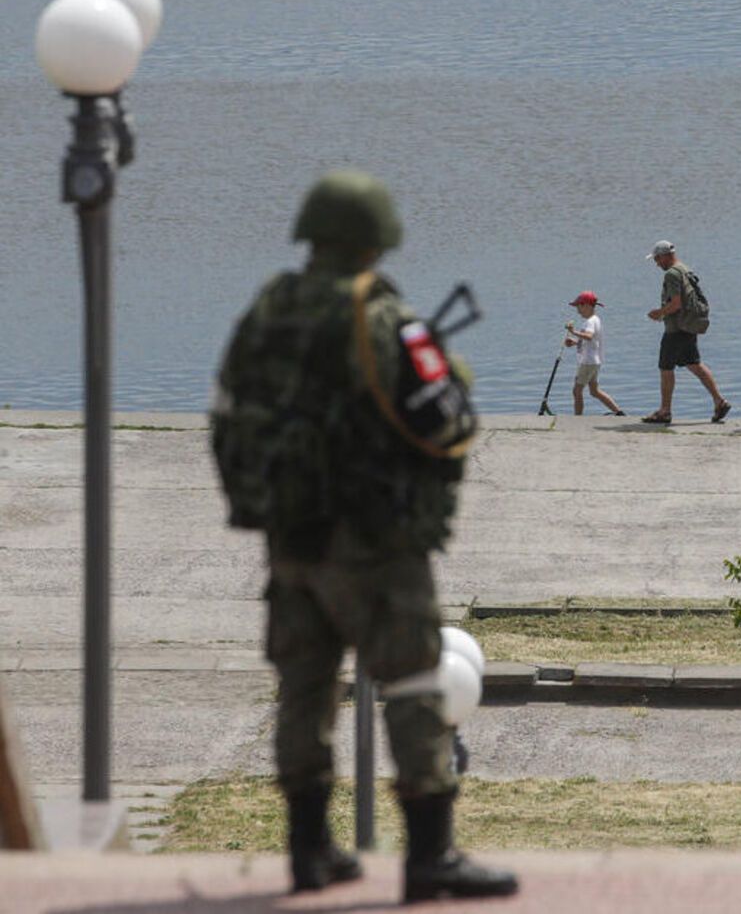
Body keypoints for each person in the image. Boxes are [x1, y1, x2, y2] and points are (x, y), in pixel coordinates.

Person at [210, 171, 517, 903]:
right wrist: (456, 368)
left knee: (304, 685)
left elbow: (230, 408)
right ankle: (430, 855)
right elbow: (446, 418)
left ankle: (310, 851)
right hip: (375, 540)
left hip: (290, 534)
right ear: (376, 238)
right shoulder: (381, 318)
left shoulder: (267, 308)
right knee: (412, 678)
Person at [642, 239, 731, 425]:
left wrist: (659, 313)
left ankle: (665, 411)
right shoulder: (684, 269)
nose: (657, 263)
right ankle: (719, 401)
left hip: (676, 328)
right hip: (688, 326)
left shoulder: (672, 275)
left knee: (666, 368)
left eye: (658, 259)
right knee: (694, 364)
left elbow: (676, 304)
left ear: (667, 256)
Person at [564, 290, 624, 415]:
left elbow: (589, 336)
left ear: (586, 305)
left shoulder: (590, 321)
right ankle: (618, 412)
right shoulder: (595, 320)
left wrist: (573, 332)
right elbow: (590, 342)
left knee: (577, 390)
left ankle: (578, 418)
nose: (577, 310)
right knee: (594, 391)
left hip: (587, 362)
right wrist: (575, 342)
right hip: (594, 361)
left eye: (579, 306)